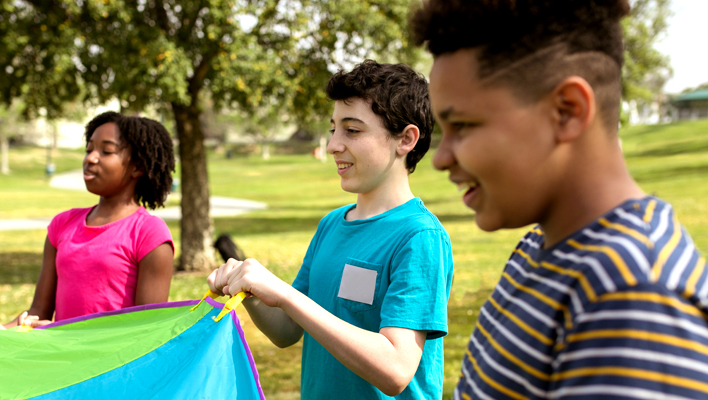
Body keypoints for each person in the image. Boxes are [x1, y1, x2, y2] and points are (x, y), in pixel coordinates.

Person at [410, 0, 708, 399]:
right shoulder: (540, 246)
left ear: (567, 111)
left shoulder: (631, 292)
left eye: (462, 125)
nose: (442, 159)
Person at [208, 60, 453, 399]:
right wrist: (247, 289)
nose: (333, 145)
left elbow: (396, 369)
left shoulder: (418, 237)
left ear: (406, 139)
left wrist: (285, 294)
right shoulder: (331, 225)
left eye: (352, 130)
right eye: (333, 129)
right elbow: (286, 330)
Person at [0, 111, 176, 329]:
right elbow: (38, 311)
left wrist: (72, 339)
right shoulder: (62, 225)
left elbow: (147, 329)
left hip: (116, 362)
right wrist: (1, 331)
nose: (91, 158)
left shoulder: (149, 234)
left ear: (137, 167)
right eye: (89, 149)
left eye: (106, 151)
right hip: (63, 359)